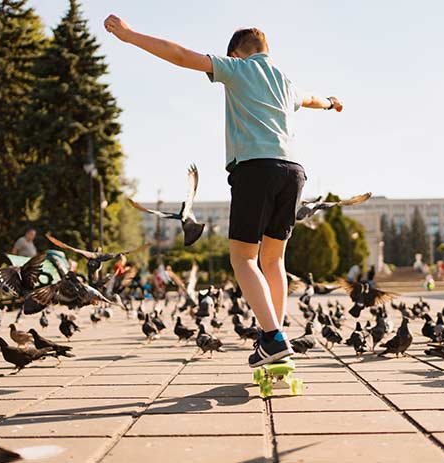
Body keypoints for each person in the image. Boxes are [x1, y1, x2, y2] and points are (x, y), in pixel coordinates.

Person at [104, 17, 342, 367]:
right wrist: (332, 101)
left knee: (243, 259)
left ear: (237, 53)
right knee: (274, 260)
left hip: (255, 169)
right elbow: (312, 98)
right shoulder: (286, 82)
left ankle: (273, 338)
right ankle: (273, 336)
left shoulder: (238, 68)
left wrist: (128, 36)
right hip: (293, 172)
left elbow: (182, 55)